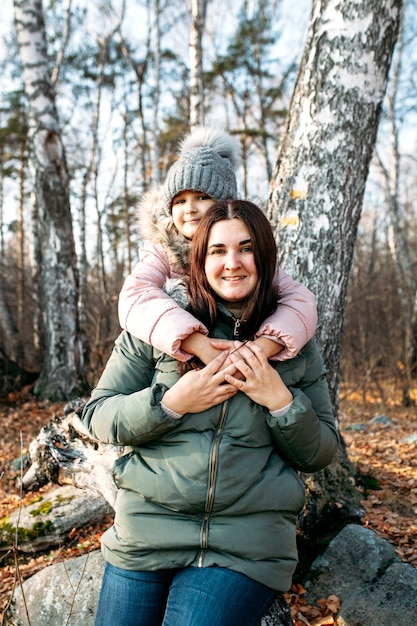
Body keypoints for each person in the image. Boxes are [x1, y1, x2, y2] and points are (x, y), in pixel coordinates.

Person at [83, 199, 339, 626]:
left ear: (266, 256)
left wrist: (280, 399)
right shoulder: (158, 325)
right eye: (218, 251)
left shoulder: (294, 342)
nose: (232, 263)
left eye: (246, 248)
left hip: (245, 548)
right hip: (146, 532)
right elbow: (98, 415)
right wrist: (170, 404)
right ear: (199, 259)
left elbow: (319, 453)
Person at [118, 126, 317, 367]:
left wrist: (263, 347)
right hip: (187, 358)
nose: (190, 208)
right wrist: (196, 342)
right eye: (180, 201)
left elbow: (300, 301)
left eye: (202, 197)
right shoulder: (162, 250)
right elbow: (135, 296)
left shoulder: (247, 253)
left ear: (224, 206)